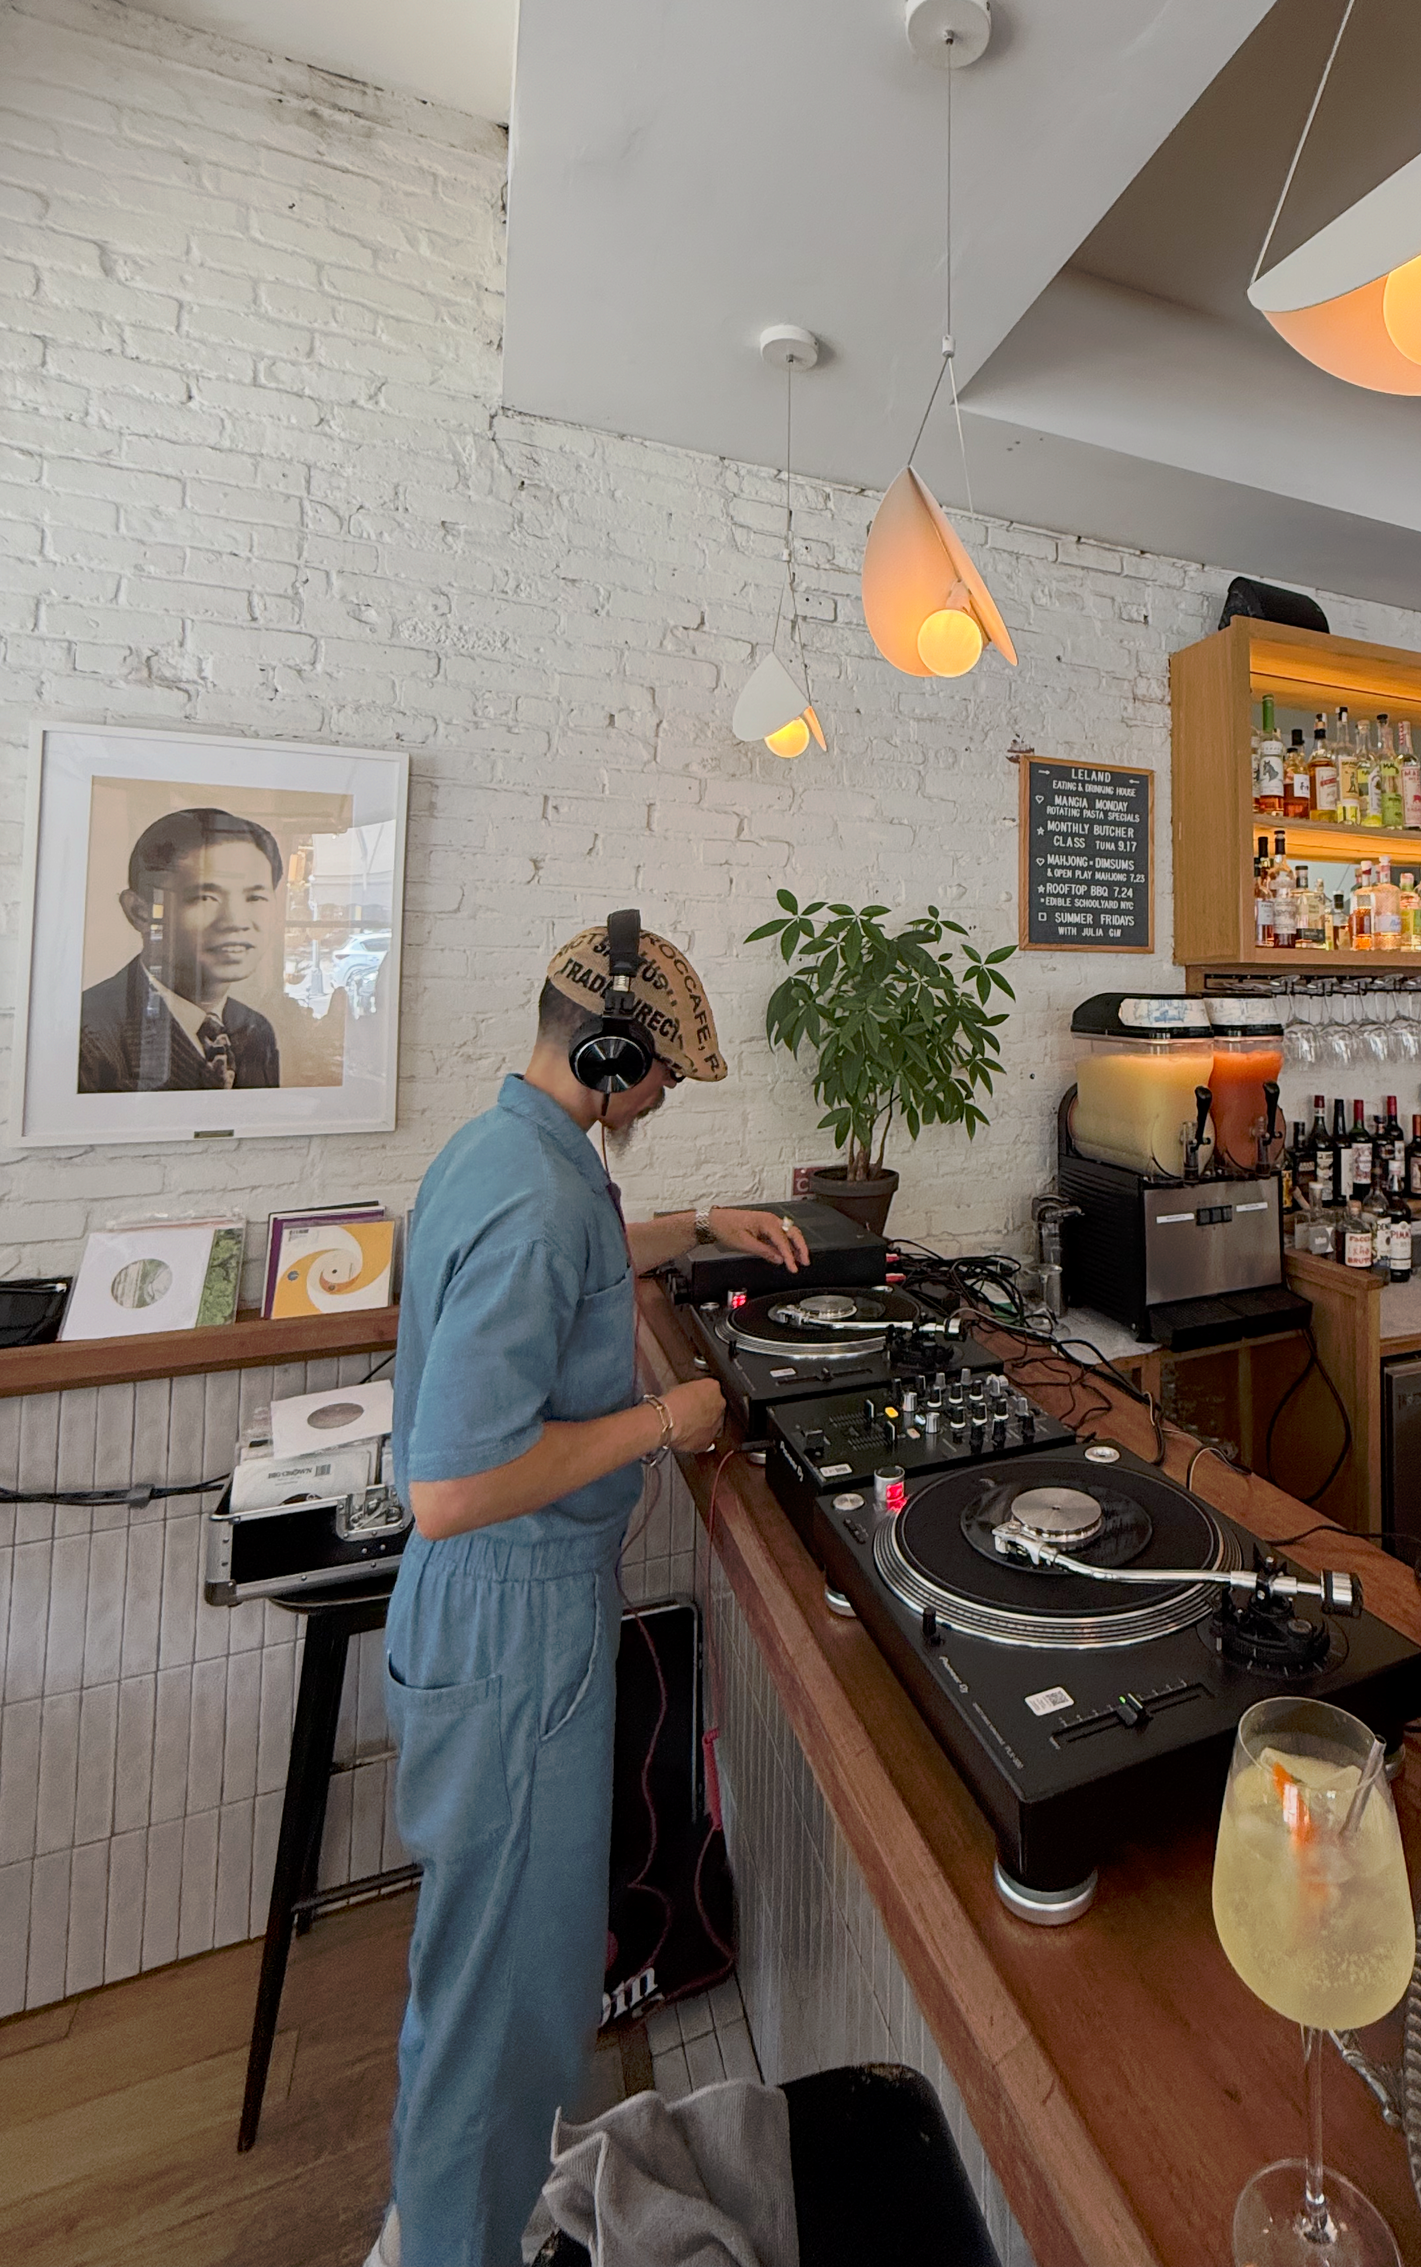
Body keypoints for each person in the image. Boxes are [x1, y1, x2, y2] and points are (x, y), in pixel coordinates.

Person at [369, 919, 809, 2267]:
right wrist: (665, 1419)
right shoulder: (543, 1193)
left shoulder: (500, 1148)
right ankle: (450, 2242)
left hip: (497, 1618)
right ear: (616, 1056)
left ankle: (472, 2220)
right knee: (497, 1996)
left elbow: (575, 1240)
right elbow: (451, 1482)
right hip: (511, 1621)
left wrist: (701, 1220)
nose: (663, 1098)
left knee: (519, 1968)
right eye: (664, 1075)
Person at [76, 806, 284, 1091]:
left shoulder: (256, 1030)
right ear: (140, 912)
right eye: (205, 897)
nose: (236, 922)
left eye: (255, 897)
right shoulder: (88, 1033)